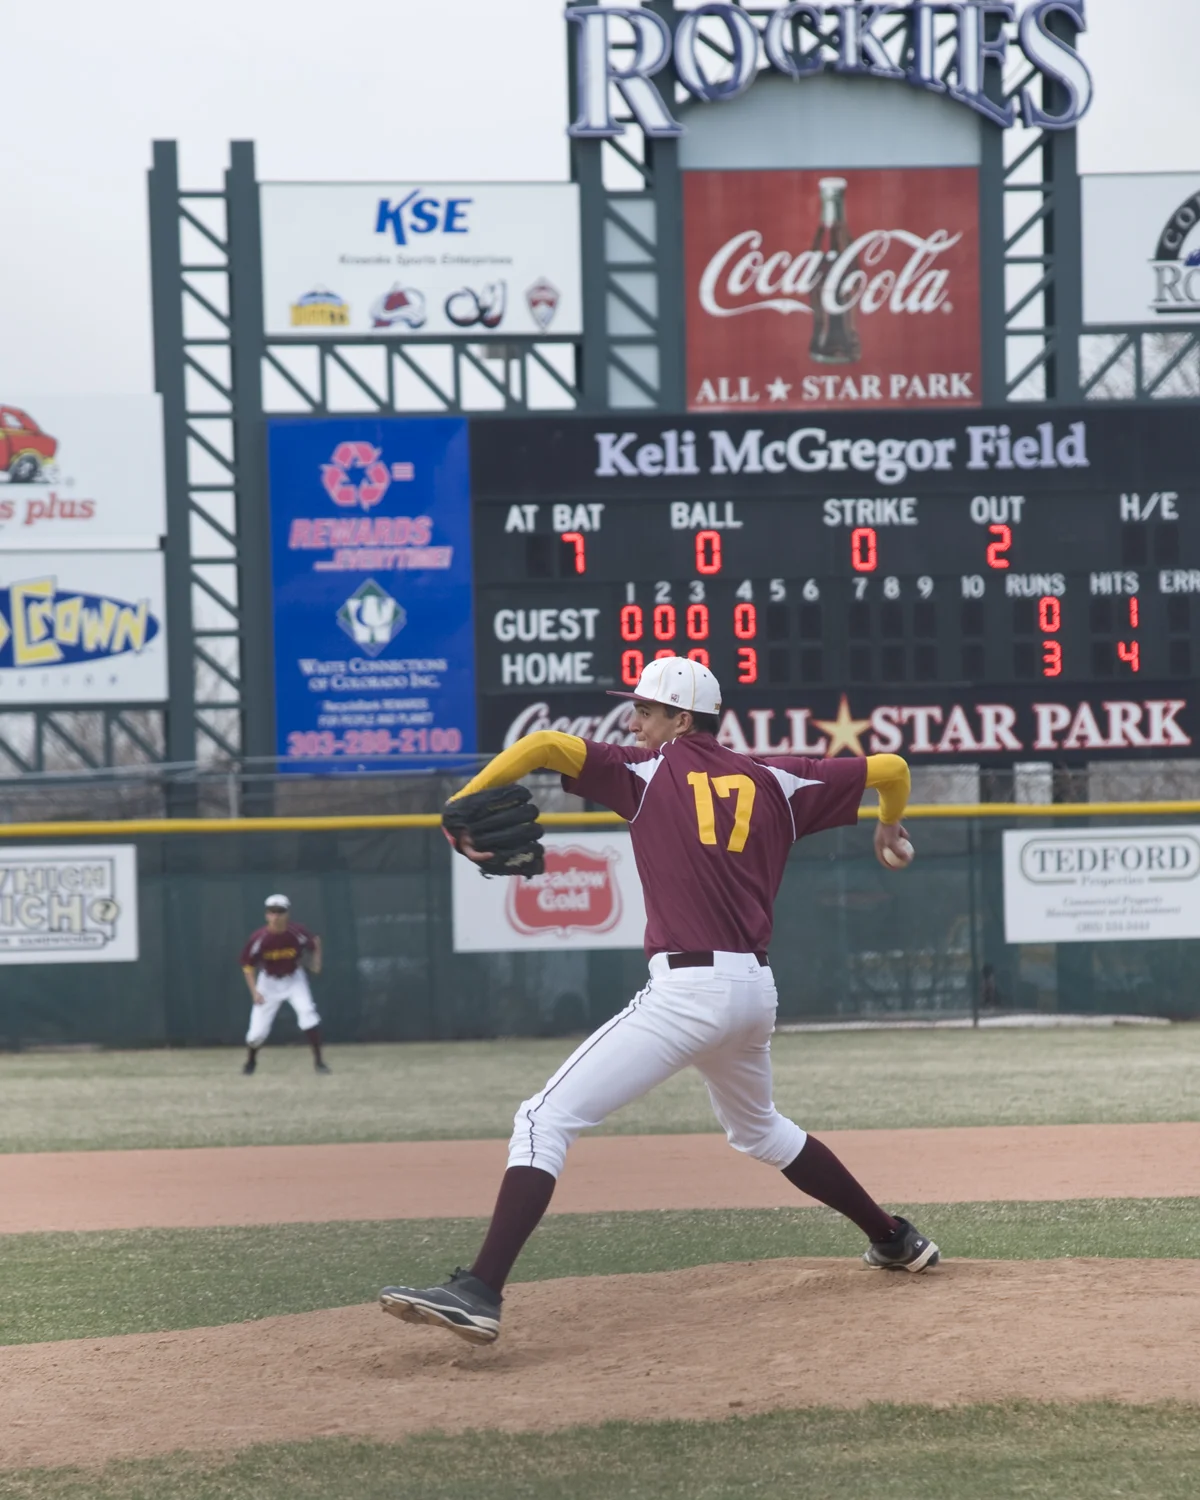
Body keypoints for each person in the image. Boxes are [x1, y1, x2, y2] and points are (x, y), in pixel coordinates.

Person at [381, 656, 937, 1344]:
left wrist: (462, 801)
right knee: (760, 1130)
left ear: (681, 719)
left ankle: (480, 1290)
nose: (633, 721)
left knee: (542, 1120)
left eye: (646, 710)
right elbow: (892, 769)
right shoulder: (779, 779)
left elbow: (541, 745)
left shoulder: (647, 772)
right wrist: (889, 824)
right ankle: (894, 1239)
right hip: (754, 992)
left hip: (689, 991)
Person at [239, 893, 330, 1075]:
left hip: (294, 978)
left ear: (287, 914)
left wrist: (316, 962)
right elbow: (247, 965)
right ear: (266, 915)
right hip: (268, 982)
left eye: (280, 911)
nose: (276, 916)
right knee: (256, 1034)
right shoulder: (259, 938)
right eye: (272, 912)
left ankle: (319, 1063)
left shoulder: (297, 933)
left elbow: (314, 943)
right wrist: (254, 992)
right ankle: (251, 1062)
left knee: (307, 1013)